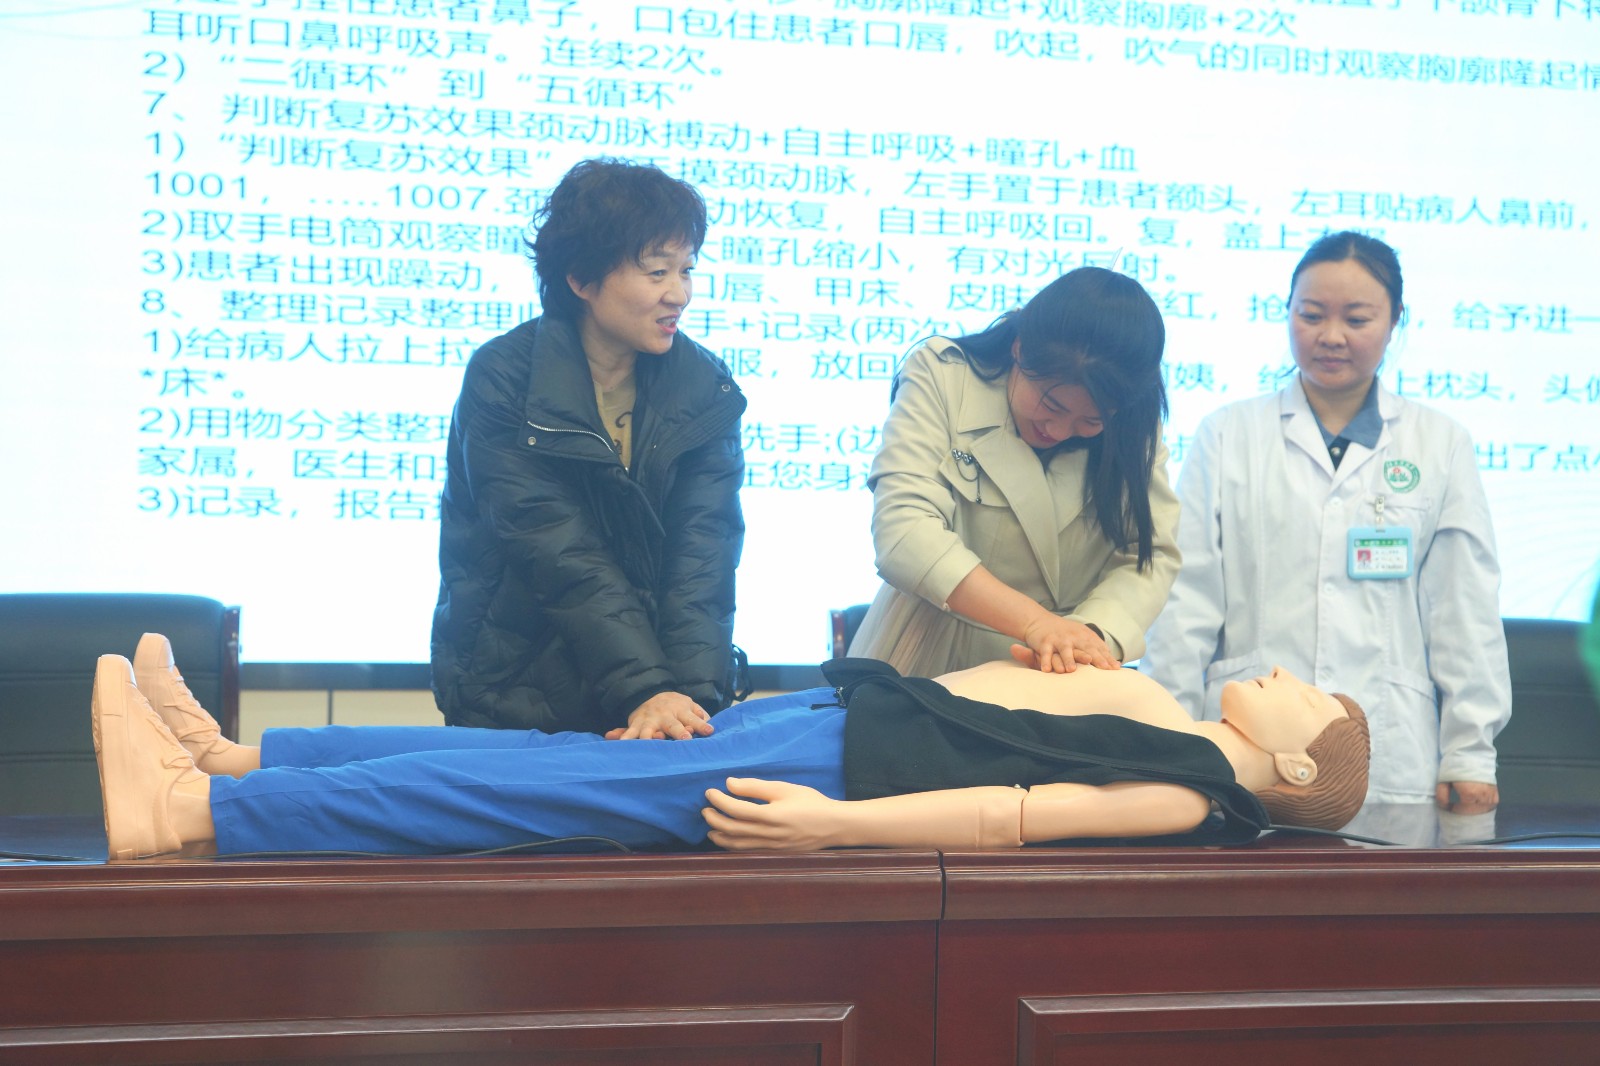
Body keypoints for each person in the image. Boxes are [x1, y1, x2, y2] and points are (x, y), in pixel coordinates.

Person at [95, 633, 1367, 859]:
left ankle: (196, 816)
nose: (1275, 672)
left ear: (1297, 768)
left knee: (516, 789)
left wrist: (834, 826)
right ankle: (244, 763)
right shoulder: (1179, 717)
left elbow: (1013, 819)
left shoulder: (1193, 794)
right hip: (829, 722)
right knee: (537, 755)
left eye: (1299, 694)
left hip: (831, 778)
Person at [1140, 231, 1510, 814]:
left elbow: (1463, 611)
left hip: (1390, 748)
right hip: (1246, 747)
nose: (1331, 336)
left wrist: (1471, 753)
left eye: (1356, 319)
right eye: (1311, 315)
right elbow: (1186, 604)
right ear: (1287, 312)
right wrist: (1170, 744)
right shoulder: (1229, 434)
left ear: (1396, 321)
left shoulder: (1440, 444)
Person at [432, 157, 747, 741]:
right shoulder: (506, 377)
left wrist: (688, 707)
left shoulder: (704, 387)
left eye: (687, 270)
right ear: (581, 280)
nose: (679, 294)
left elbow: (703, 556)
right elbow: (557, 550)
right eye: (657, 272)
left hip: (658, 701)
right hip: (516, 689)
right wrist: (646, 689)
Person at [848, 267, 1180, 678]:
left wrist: (1085, 636)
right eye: (1051, 406)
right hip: (931, 659)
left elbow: (1149, 554)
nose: (1059, 430)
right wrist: (1036, 624)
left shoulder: (1132, 420)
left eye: (1090, 421)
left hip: (1066, 670)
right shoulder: (943, 374)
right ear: (1020, 351)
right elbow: (904, 530)